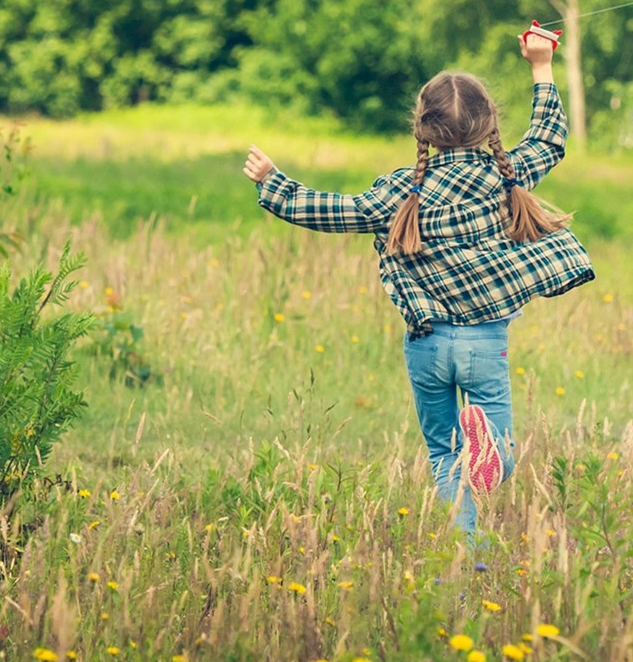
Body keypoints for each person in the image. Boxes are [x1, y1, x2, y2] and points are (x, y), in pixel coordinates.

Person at [242, 28, 593, 535]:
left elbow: (335, 211)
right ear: (490, 121)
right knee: (496, 452)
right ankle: (492, 453)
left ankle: (467, 553)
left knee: (443, 452)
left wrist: (274, 183)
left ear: (422, 129)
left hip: (426, 345)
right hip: (484, 341)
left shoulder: (400, 192)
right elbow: (549, 139)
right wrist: (541, 66)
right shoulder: (506, 176)